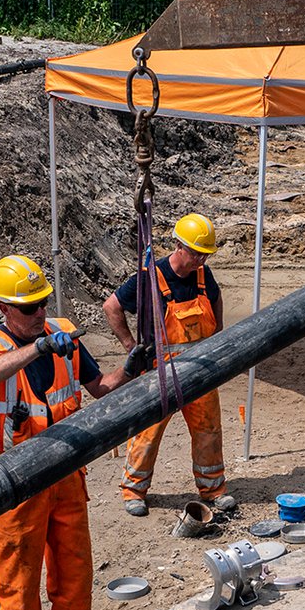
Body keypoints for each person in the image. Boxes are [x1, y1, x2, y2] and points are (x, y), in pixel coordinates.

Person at [0, 254, 129, 610]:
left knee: (74, 566)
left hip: (64, 477)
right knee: (17, 576)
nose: (41, 312)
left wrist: (132, 367)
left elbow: (99, 387)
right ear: (4, 308)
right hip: (12, 488)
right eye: (29, 307)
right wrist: (38, 349)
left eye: (43, 302)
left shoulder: (63, 335)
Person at [102, 213, 235, 519]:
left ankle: (213, 488)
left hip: (200, 370)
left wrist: (218, 337)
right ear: (178, 246)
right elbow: (111, 306)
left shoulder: (204, 276)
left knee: (209, 430)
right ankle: (133, 490)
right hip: (160, 372)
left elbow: (215, 301)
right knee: (147, 433)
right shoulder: (150, 278)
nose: (200, 261)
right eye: (195, 254)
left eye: (205, 255)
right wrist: (128, 345)